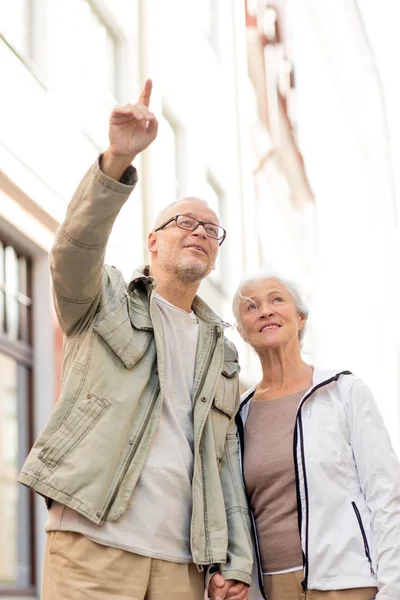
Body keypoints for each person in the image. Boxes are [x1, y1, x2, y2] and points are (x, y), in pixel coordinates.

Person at [18, 80, 253, 600]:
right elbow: (72, 251)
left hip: (182, 565)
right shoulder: (105, 302)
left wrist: (232, 559)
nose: (200, 232)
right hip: (93, 548)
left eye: (212, 230)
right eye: (185, 222)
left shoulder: (226, 355)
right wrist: (115, 162)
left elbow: (224, 460)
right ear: (153, 240)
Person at [230, 273, 400, 600]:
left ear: (300, 317)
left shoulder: (343, 392)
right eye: (251, 306)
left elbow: (387, 495)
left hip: (345, 583)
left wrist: (393, 589)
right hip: (269, 588)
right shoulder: (237, 415)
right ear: (242, 331)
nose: (265, 310)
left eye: (277, 299)